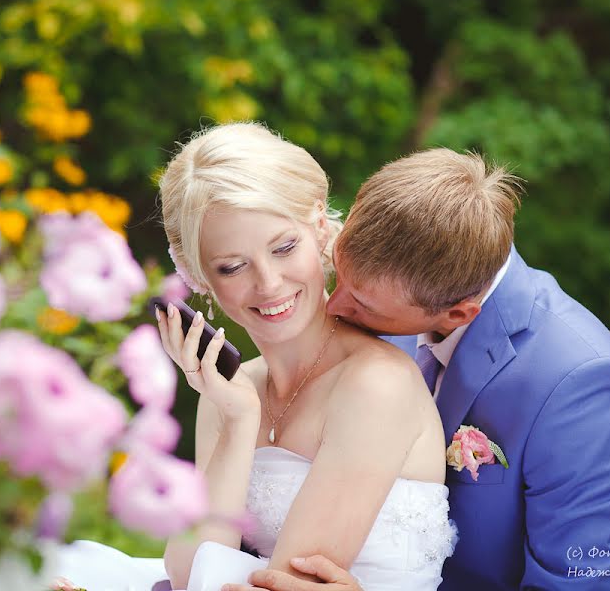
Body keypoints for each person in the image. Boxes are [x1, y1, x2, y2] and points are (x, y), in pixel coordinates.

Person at [226, 148, 610, 591]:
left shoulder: (581, 384)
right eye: (341, 278)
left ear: (457, 315)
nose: (335, 307)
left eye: (363, 304)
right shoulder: (394, 291)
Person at [55, 123, 456, 591]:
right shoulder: (231, 390)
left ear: (321, 231)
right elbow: (186, 573)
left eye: (284, 247)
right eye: (232, 266)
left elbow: (284, 582)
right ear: (198, 277)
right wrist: (240, 419)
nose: (268, 283)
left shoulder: (376, 383)